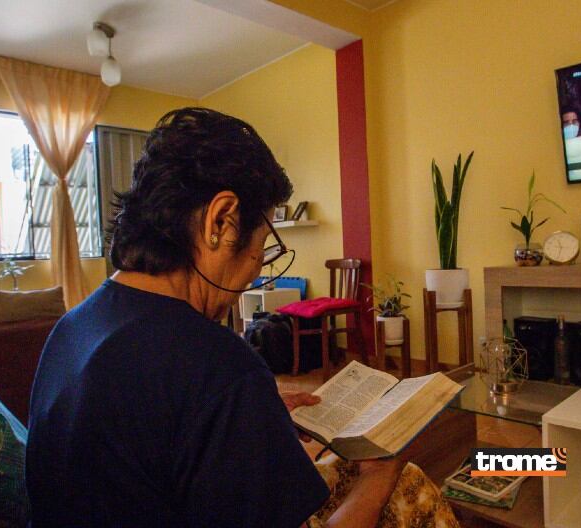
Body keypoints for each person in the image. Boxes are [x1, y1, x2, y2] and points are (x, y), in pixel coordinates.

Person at [27, 108, 457, 527]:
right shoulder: (218, 366)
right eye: (263, 243)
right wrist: (379, 477)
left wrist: (249, 417)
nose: (255, 272)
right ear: (222, 220)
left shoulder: (73, 327)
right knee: (406, 484)